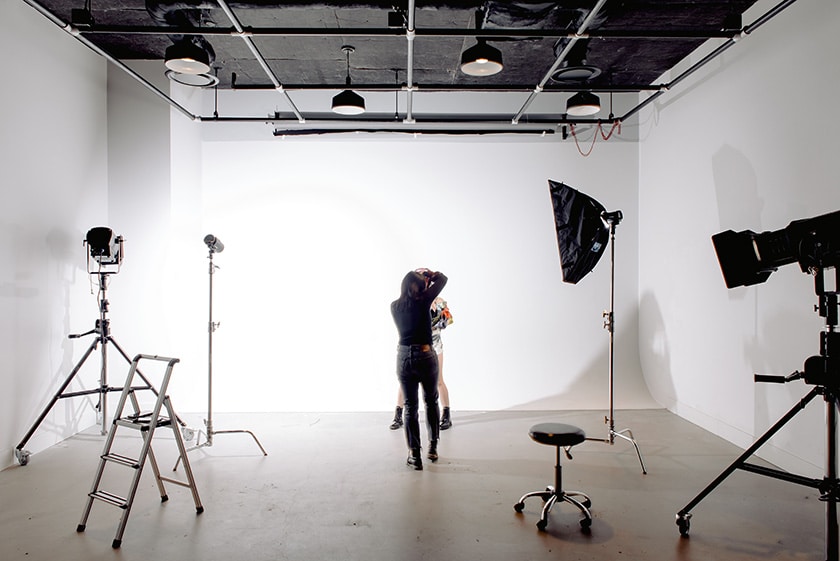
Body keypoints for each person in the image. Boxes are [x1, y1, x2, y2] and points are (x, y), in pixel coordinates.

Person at [391, 268, 447, 470]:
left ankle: (414, 455)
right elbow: (443, 279)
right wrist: (430, 274)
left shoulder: (394, 306)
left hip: (404, 356)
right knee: (431, 401)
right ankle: (432, 447)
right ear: (421, 287)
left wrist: (420, 278)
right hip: (426, 355)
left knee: (410, 407)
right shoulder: (424, 301)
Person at [388, 297, 454, 431]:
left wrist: (435, 317)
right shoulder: (413, 302)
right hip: (414, 346)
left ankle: (446, 415)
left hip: (434, 345)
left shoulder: (439, 301)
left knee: (439, 380)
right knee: (405, 381)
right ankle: (398, 415)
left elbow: (448, 320)